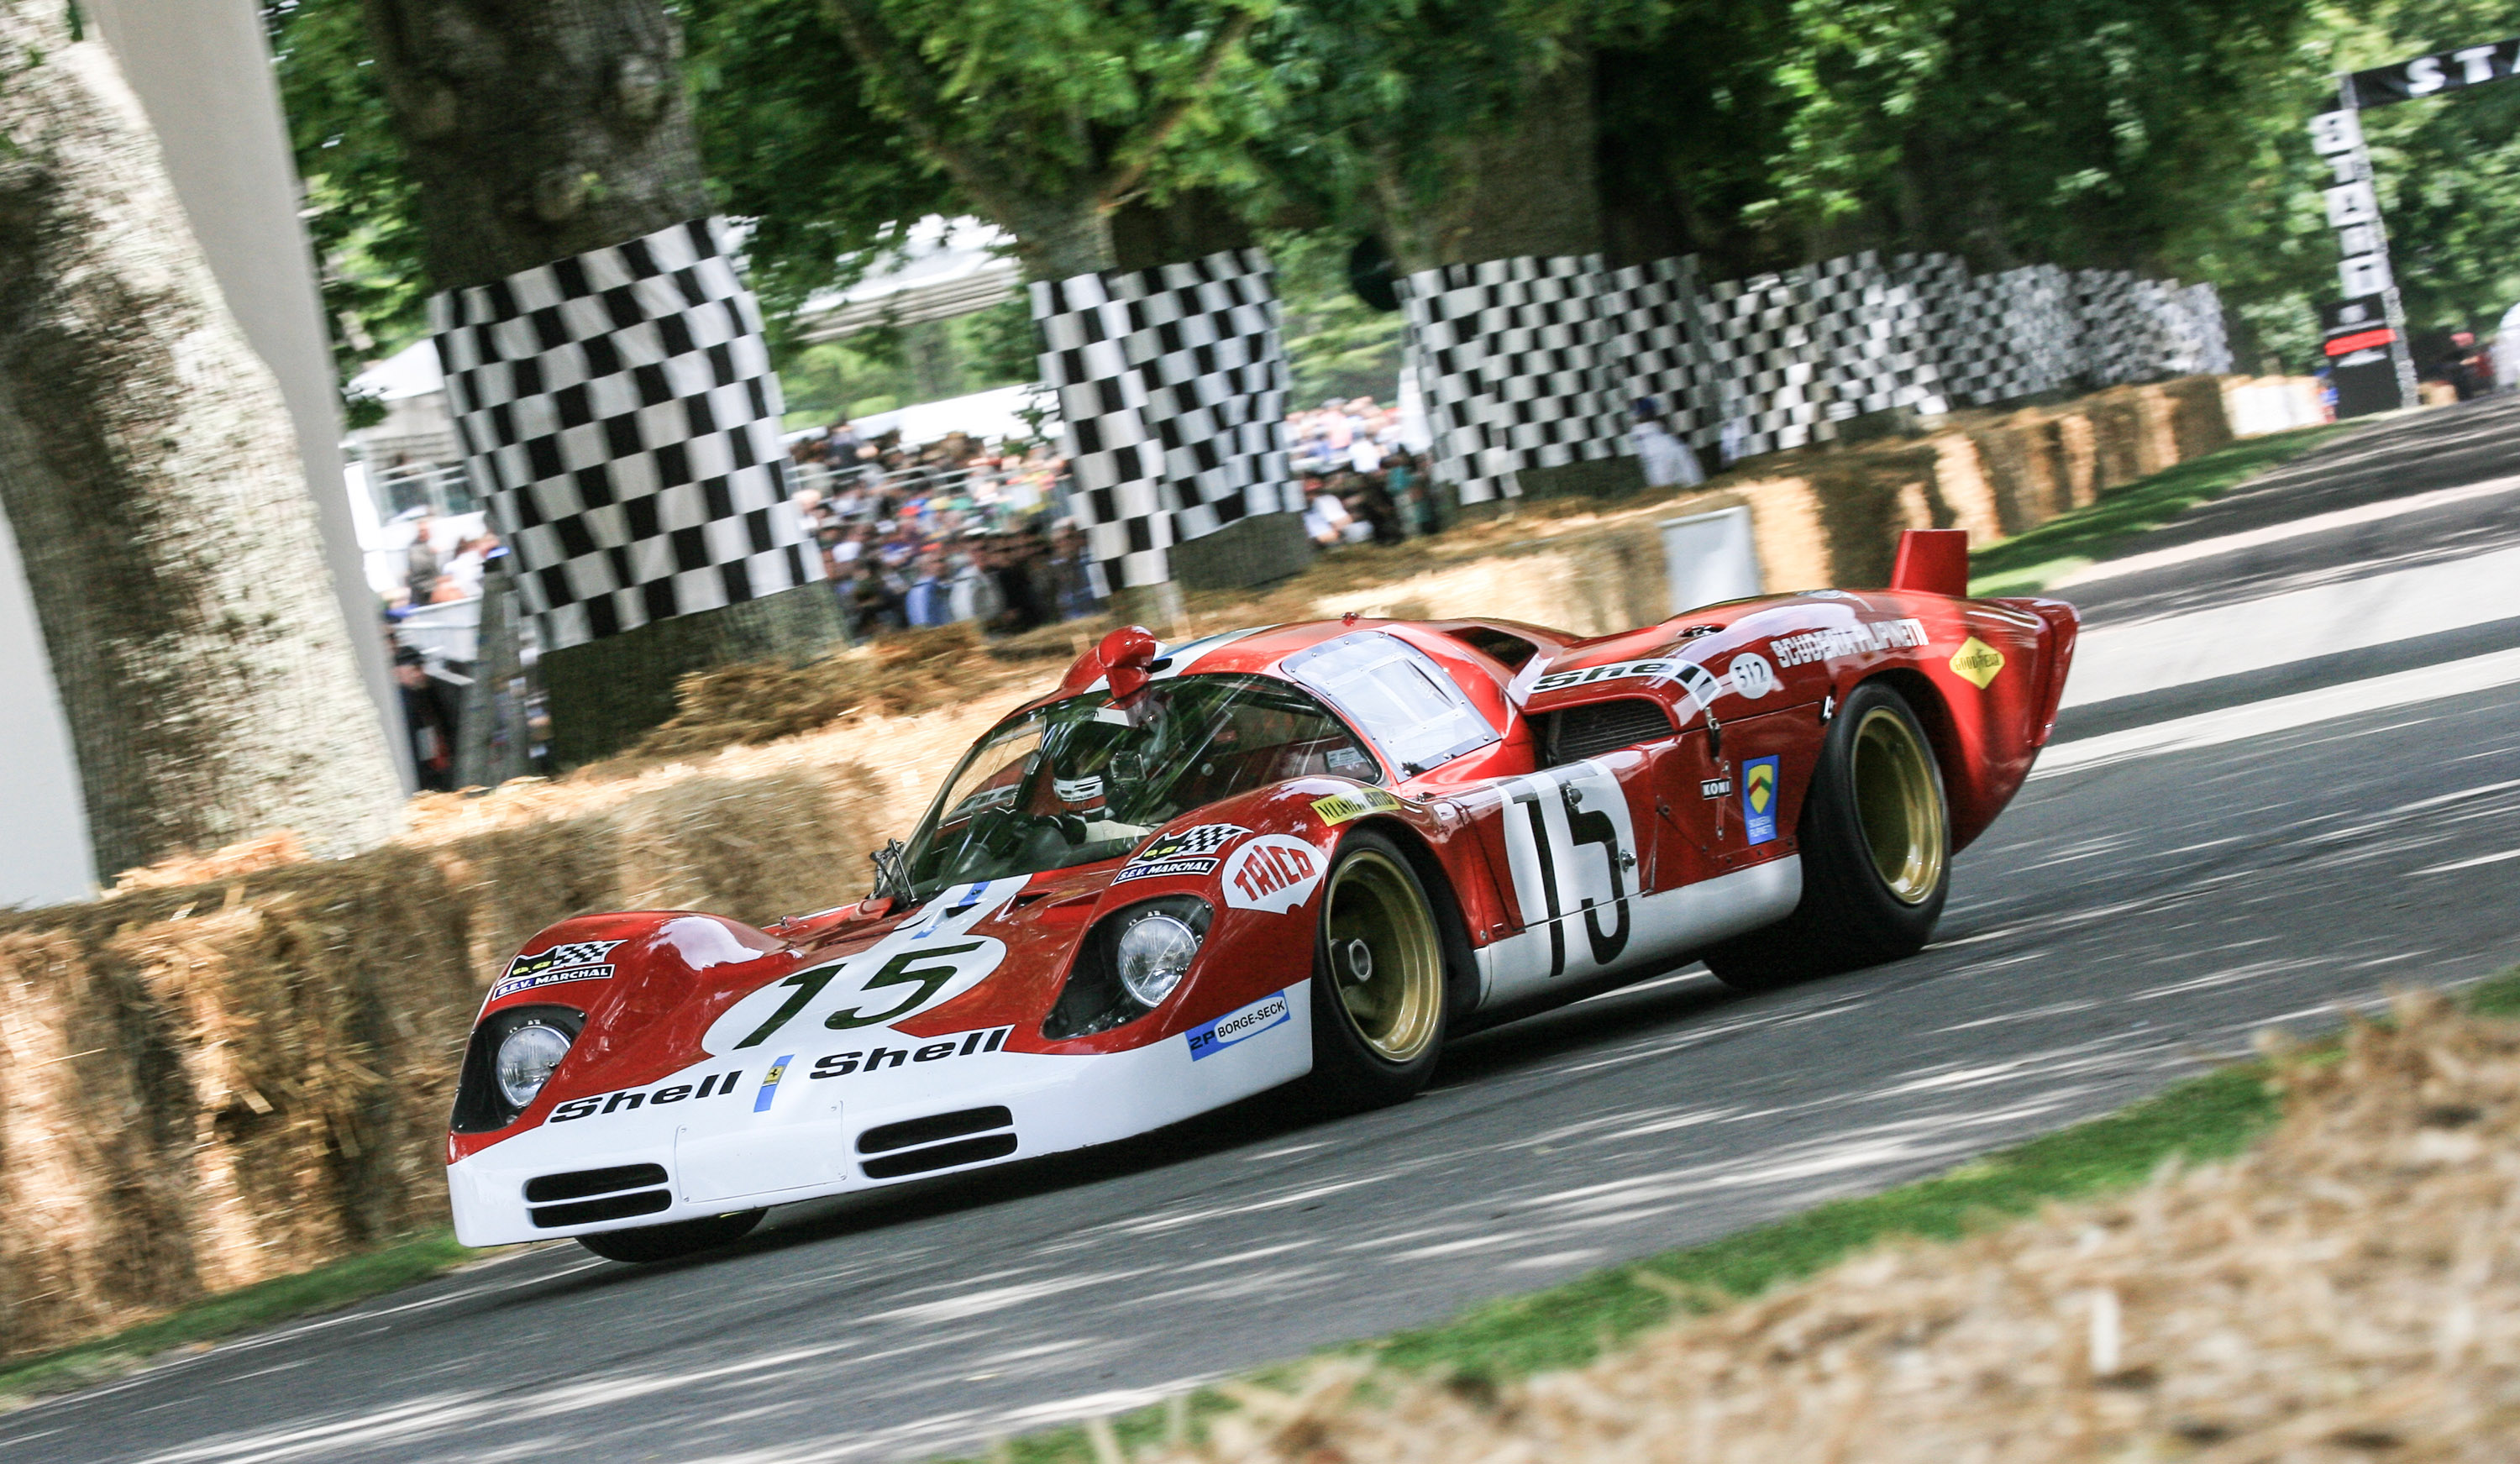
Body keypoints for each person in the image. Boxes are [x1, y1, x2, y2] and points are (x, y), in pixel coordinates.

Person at [395, 647, 460, 791]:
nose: (419, 674)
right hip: (426, 775)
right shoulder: (402, 703)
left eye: (420, 668)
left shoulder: (425, 694)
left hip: (437, 770)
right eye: (414, 669)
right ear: (398, 672)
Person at [1631, 397, 1705, 488]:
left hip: (1660, 459)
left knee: (1664, 490)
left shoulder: (1637, 432)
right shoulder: (1660, 429)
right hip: (1676, 450)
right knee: (1695, 484)